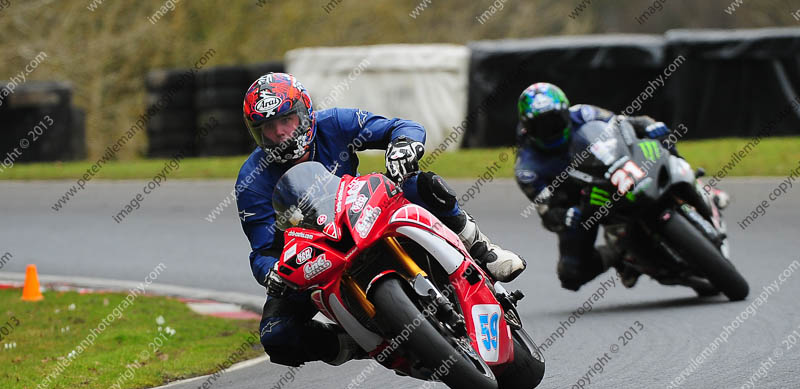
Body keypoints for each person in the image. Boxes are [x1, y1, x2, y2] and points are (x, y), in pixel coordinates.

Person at [236, 72, 525, 367]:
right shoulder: (251, 180)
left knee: (420, 183)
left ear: (305, 114)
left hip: (360, 212)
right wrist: (272, 272)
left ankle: (480, 248)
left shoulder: (334, 123)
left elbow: (401, 127)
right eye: (268, 128)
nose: (280, 132)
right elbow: (263, 250)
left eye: (286, 120)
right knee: (276, 336)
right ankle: (352, 342)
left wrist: (404, 144)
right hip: (315, 254)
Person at [514, 82, 729, 291]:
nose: (549, 130)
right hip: (582, 201)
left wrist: (648, 125)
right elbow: (547, 212)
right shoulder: (527, 168)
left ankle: (697, 184)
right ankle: (619, 253)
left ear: (565, 112)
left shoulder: (584, 113)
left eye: (554, 120)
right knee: (571, 274)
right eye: (540, 126)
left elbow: (625, 123)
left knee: (662, 140)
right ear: (527, 127)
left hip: (615, 167)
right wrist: (565, 216)